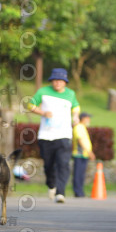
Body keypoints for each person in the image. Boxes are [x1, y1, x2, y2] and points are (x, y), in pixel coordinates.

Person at [27, 68, 80, 203]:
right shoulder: (43, 92)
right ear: (51, 81)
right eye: (55, 80)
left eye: (60, 81)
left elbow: (76, 107)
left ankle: (60, 193)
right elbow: (30, 105)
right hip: (46, 135)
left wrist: (75, 117)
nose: (57, 83)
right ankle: (52, 185)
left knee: (63, 163)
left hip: (64, 135)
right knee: (49, 165)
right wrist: (42, 113)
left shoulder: (71, 94)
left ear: (65, 82)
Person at [72, 112, 96, 197]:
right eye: (87, 118)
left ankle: (80, 191)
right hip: (79, 153)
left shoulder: (82, 127)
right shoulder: (78, 127)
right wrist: (89, 152)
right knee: (78, 174)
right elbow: (80, 140)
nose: (89, 120)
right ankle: (78, 192)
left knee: (81, 174)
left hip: (84, 154)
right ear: (83, 118)